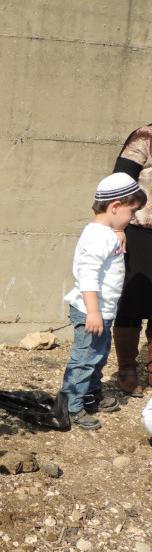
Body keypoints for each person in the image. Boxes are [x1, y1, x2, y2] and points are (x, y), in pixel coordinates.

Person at [60, 173, 146, 430]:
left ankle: (90, 394)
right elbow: (88, 274)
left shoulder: (107, 232)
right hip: (91, 312)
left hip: (102, 312)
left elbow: (113, 238)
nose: (133, 219)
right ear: (115, 207)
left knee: (98, 354)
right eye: (132, 212)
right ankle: (72, 406)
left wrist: (118, 232)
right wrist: (93, 311)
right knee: (85, 357)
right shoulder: (97, 236)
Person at [113, 125, 152, 397]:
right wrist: (118, 227)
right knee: (131, 300)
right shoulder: (145, 137)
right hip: (140, 230)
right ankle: (127, 368)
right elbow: (120, 181)